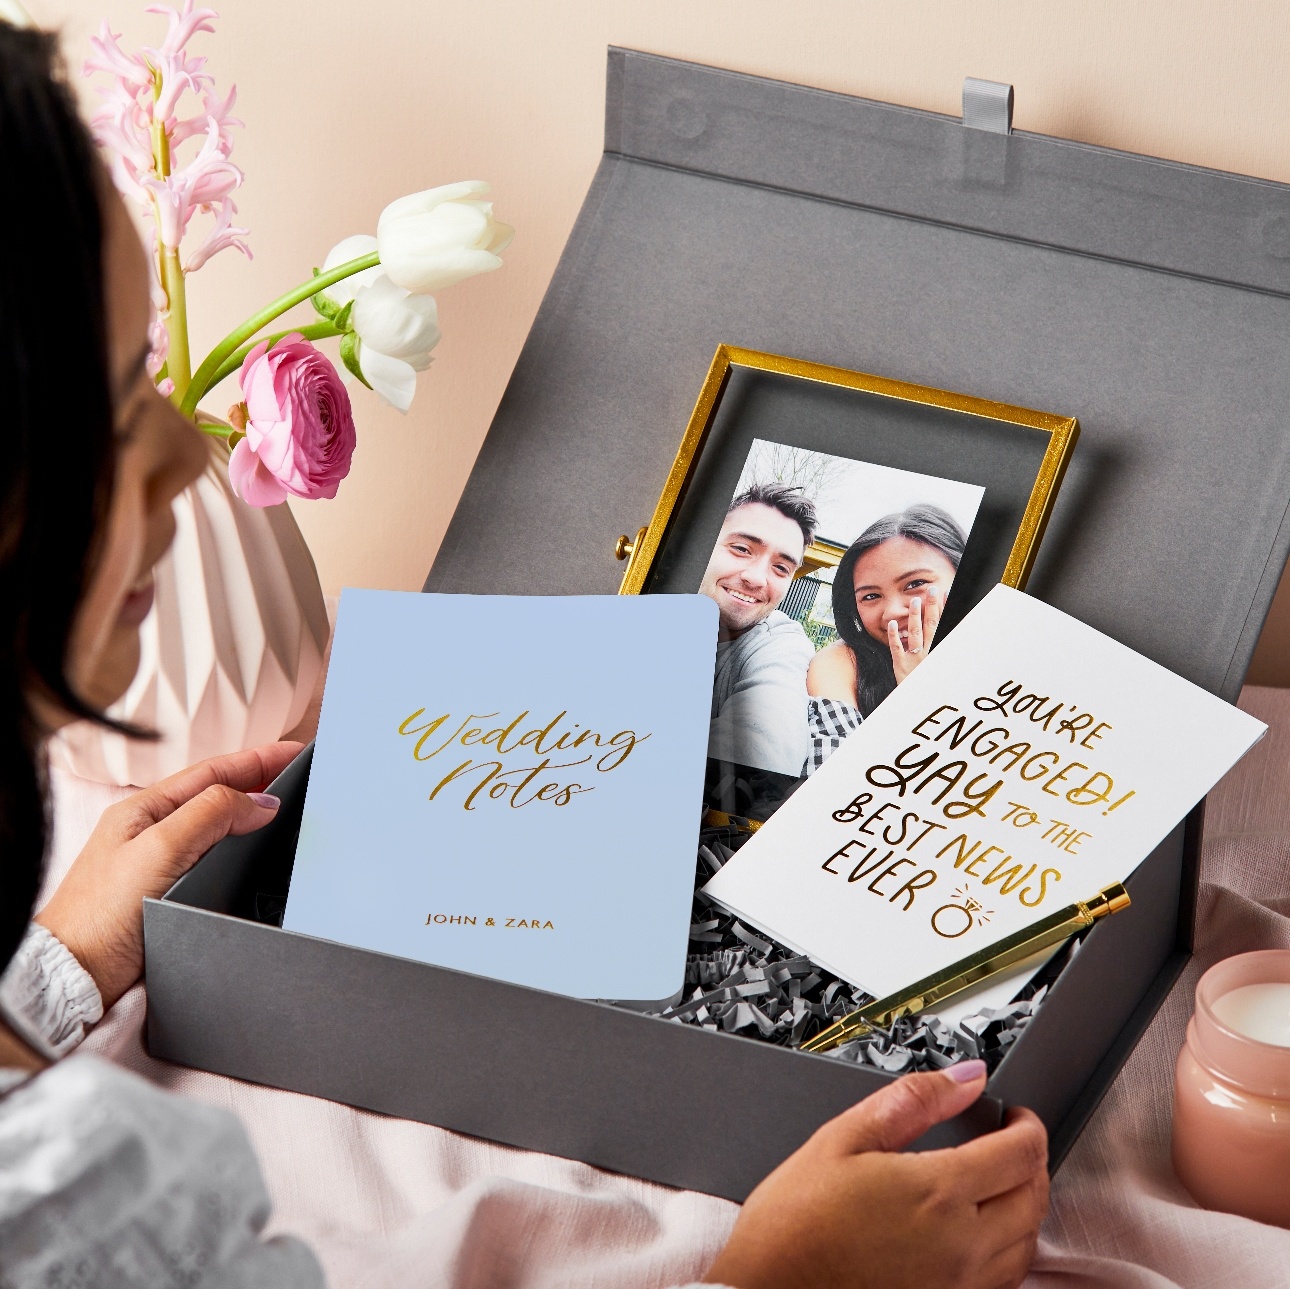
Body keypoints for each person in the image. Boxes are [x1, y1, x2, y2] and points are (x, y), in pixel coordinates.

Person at [0, 23, 1049, 1288]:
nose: (187, 453)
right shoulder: (105, 1205)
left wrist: (45, 982)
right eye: (122, 403)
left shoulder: (809, 683)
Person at [805, 504, 966, 773]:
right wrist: (916, 692)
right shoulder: (844, 663)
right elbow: (837, 780)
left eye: (915, 584)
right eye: (870, 596)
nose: (891, 612)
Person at [698, 483, 817, 776]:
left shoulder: (779, 644)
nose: (756, 579)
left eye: (780, 568)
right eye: (741, 549)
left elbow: (760, 756)